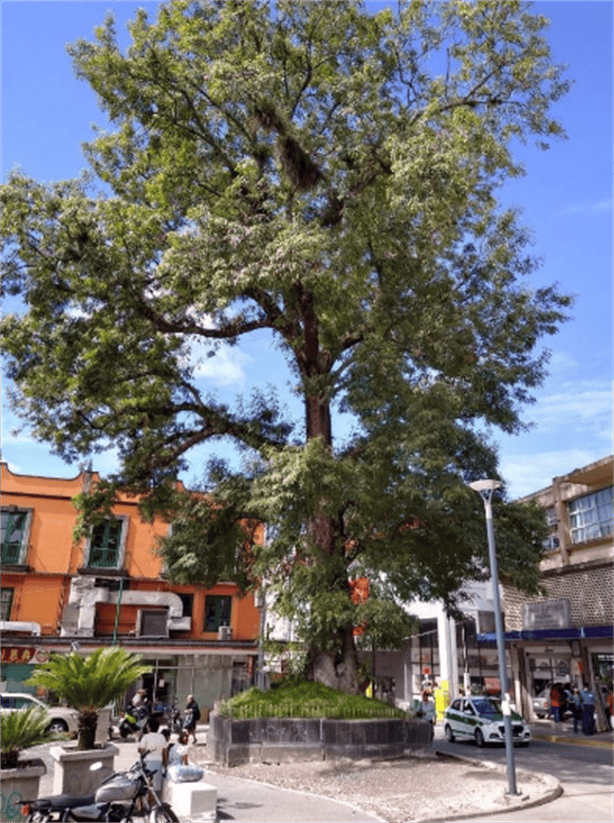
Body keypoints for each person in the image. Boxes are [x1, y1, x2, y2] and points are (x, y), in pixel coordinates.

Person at [138, 716, 168, 793]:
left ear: (149, 727)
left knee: (147, 785)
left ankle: (147, 802)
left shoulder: (146, 737)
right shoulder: (162, 737)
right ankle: (153, 803)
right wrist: (165, 764)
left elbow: (140, 750)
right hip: (158, 763)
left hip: (148, 763)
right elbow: (165, 753)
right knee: (156, 787)